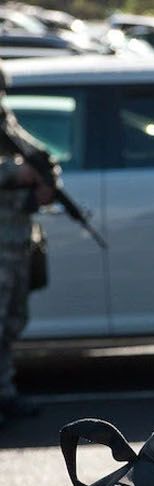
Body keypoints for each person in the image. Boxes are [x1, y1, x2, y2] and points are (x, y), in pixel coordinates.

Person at [0, 65, 53, 423]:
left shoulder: (5, 120)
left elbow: (35, 153)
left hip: (15, 242)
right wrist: (13, 173)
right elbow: (18, 168)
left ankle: (5, 393)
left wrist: (47, 177)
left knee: (11, 321)